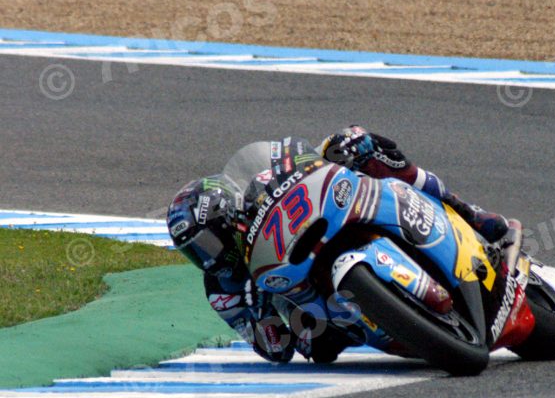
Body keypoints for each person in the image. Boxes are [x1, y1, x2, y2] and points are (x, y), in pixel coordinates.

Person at [167, 126, 508, 364]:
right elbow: (276, 351)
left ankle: (467, 212)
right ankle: (393, 319)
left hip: (313, 231)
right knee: (312, 341)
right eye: (194, 252)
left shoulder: (255, 193)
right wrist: (260, 313)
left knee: (364, 148)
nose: (207, 258)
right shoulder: (221, 289)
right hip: (317, 315)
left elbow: (297, 160)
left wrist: (334, 148)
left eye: (207, 244)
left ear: (230, 218)